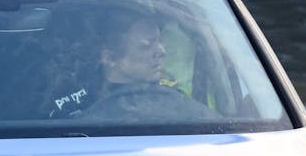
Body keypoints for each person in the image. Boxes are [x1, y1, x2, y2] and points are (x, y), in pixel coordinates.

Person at [45, 7, 216, 122]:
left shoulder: (172, 96)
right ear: (109, 58)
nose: (162, 51)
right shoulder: (76, 105)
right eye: (146, 46)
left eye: (159, 41)